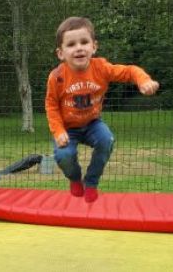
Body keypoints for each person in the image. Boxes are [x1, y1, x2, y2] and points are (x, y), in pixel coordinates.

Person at [45, 17, 159, 203]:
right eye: (71, 44)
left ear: (94, 47)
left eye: (84, 42)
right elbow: (51, 105)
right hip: (67, 129)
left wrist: (143, 80)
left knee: (107, 140)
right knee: (65, 155)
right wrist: (58, 131)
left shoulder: (101, 68)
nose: (79, 48)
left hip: (92, 123)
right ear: (61, 53)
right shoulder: (57, 77)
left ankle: (91, 182)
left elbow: (129, 71)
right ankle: (75, 178)